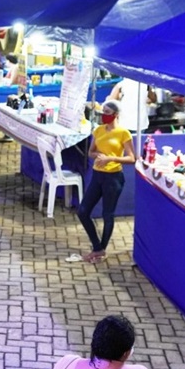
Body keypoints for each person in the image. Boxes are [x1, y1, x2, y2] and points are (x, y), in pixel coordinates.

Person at [77, 101, 134, 263]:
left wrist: (111, 158)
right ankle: (97, 247)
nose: (103, 115)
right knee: (83, 211)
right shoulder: (98, 130)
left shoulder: (124, 133)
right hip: (97, 175)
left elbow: (131, 158)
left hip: (113, 178)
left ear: (115, 115)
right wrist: (99, 156)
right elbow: (91, 152)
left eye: (107, 112)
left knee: (107, 214)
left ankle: (101, 249)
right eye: (103, 112)